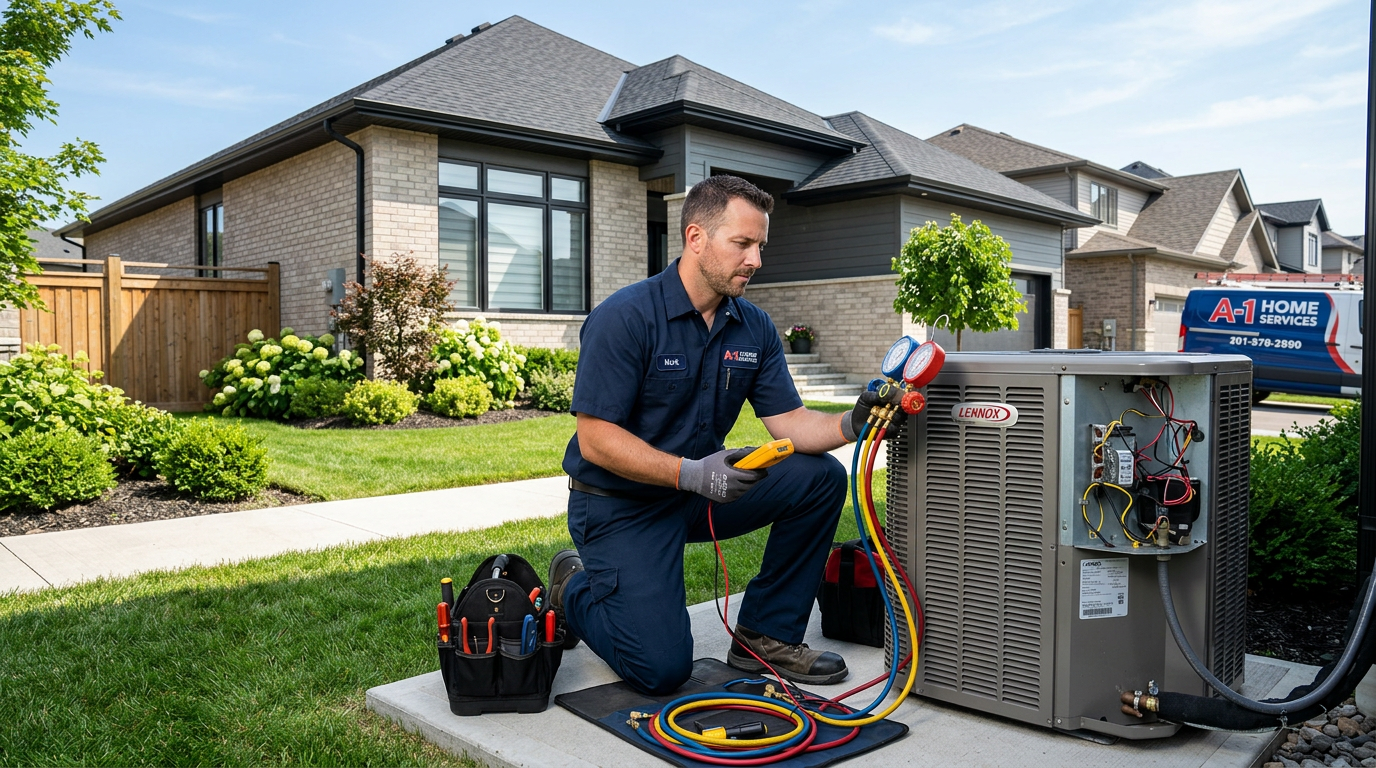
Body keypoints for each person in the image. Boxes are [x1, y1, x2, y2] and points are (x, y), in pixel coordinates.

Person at [546, 174, 896, 696]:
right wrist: (691, 474)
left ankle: (764, 636)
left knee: (819, 479)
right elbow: (596, 439)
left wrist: (853, 422)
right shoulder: (626, 317)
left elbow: (792, 424)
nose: (756, 259)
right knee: (661, 670)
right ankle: (571, 586)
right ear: (695, 238)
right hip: (621, 505)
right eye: (743, 244)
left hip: (698, 492)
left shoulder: (752, 326)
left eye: (760, 246)